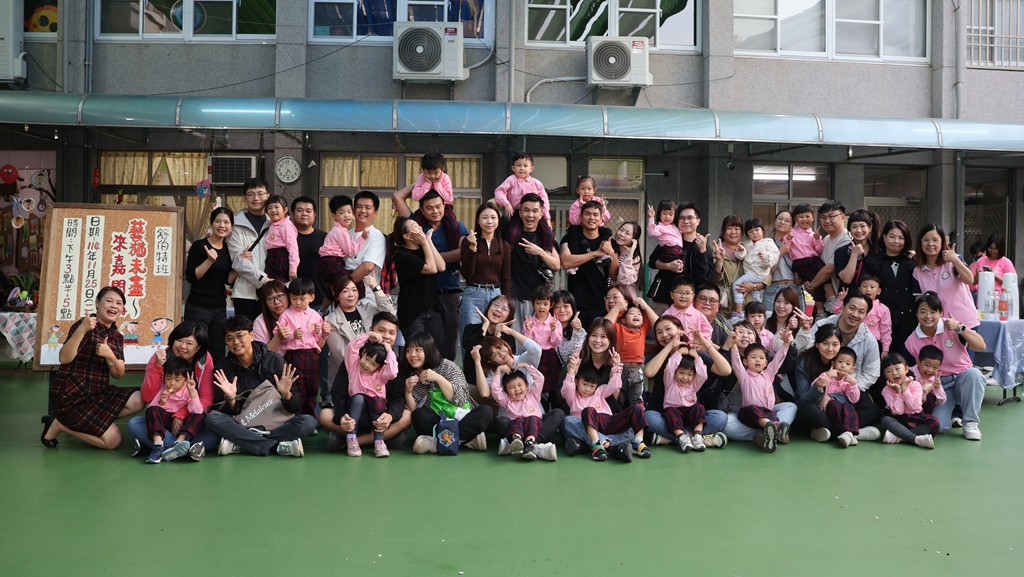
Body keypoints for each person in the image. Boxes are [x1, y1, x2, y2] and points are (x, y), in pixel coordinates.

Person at [42, 286, 143, 450]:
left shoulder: (116, 336)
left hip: (97, 394)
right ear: (97, 303)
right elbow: (64, 358)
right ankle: (59, 424)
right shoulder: (84, 325)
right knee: (113, 441)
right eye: (109, 301)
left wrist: (110, 355)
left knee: (139, 399)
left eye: (119, 303)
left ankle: (91, 422)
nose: (114, 306)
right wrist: (82, 329)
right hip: (71, 396)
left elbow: (118, 373)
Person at [205, 316, 315, 457]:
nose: (236, 342)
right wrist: (231, 399)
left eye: (240, 336)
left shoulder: (274, 360)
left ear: (252, 335)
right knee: (212, 418)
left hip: (276, 423)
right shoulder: (222, 367)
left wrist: (286, 395)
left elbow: (295, 407)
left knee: (308, 422)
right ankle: (276, 446)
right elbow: (226, 411)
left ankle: (244, 444)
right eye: (230, 338)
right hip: (243, 424)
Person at [795, 290, 883, 436]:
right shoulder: (821, 327)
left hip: (845, 391)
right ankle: (850, 431)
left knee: (872, 409)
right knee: (806, 410)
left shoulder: (869, 340)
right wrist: (820, 388)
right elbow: (805, 397)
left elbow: (871, 374)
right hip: (815, 398)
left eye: (861, 311)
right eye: (852, 308)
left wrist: (837, 394)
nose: (855, 314)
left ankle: (830, 431)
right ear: (842, 306)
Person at [393, 189, 467, 358]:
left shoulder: (455, 226)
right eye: (429, 207)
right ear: (422, 210)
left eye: (438, 206)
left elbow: (447, 262)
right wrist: (422, 182)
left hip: (446, 295)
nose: (435, 211)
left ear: (444, 206)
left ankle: (445, 374)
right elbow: (432, 268)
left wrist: (427, 245)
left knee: (444, 347)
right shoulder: (408, 248)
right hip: (416, 305)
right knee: (417, 351)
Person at [322, 310, 411, 453]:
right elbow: (339, 390)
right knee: (324, 415)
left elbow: (398, 398)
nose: (386, 336)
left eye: (391, 333)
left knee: (407, 417)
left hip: (379, 417)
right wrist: (342, 416)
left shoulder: (395, 364)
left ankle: (354, 441)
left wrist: (390, 416)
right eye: (381, 330)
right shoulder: (356, 359)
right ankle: (366, 438)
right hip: (355, 415)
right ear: (371, 330)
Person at [127, 322, 216, 461]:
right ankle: (183, 448)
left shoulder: (204, 360)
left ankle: (158, 446)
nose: (182, 346)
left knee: (213, 432)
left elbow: (206, 398)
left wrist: (180, 415)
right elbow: (147, 397)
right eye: (179, 340)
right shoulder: (160, 357)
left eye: (189, 343)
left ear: (198, 347)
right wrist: (158, 366)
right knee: (134, 424)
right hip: (164, 420)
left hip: (190, 418)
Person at [904, 291, 986, 440]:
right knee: (939, 426)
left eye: (933, 311)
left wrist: (959, 327)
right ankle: (950, 414)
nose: (928, 316)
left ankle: (970, 422)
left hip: (962, 378)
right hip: (939, 386)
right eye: (923, 311)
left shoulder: (952, 326)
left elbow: (981, 346)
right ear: (916, 314)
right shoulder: (911, 341)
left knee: (974, 374)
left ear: (940, 313)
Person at [643, 316, 730, 448]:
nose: (664, 335)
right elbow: (649, 372)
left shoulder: (693, 353)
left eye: (668, 329)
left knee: (720, 417)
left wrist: (704, 343)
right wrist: (670, 346)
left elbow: (726, 370)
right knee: (649, 417)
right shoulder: (658, 356)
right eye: (659, 332)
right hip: (666, 415)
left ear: (680, 330)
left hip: (693, 416)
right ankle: (695, 438)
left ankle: (675, 438)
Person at [404, 333, 493, 453]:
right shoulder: (413, 377)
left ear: (428, 349)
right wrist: (408, 391)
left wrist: (438, 378)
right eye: (408, 351)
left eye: (418, 350)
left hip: (462, 417)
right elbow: (415, 410)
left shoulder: (447, 366)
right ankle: (466, 441)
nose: (412, 355)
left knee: (486, 412)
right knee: (418, 415)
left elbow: (460, 399)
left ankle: (437, 443)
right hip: (438, 421)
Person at [562, 348, 650, 462]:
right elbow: (567, 389)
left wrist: (616, 367)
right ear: (577, 382)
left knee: (636, 410)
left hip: (608, 422)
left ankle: (637, 442)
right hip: (588, 426)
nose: (587, 389)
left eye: (592, 386)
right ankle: (601, 445)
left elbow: (615, 386)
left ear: (596, 386)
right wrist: (571, 372)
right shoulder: (573, 397)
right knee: (569, 421)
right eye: (584, 384)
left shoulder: (600, 391)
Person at [474, 355, 561, 461]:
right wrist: (498, 371)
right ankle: (523, 443)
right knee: (500, 420)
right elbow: (496, 391)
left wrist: (527, 366)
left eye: (520, 385)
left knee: (555, 413)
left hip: (535, 426)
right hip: (516, 428)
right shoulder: (507, 401)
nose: (517, 389)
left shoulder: (533, 395)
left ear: (527, 386)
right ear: (506, 392)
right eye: (511, 387)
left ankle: (528, 443)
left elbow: (540, 379)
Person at [661, 331, 731, 452]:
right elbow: (670, 368)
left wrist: (697, 357)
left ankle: (697, 436)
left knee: (701, 408)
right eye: (681, 373)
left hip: (690, 414)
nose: (685, 377)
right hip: (674, 412)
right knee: (667, 413)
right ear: (675, 373)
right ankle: (681, 437)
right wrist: (679, 353)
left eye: (689, 375)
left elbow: (702, 375)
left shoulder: (693, 384)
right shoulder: (670, 381)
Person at [727, 329, 794, 453]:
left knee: (781, 411)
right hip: (749, 414)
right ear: (745, 361)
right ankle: (774, 428)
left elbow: (778, 360)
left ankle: (769, 435)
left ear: (766, 363)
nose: (758, 360)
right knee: (752, 409)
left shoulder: (768, 374)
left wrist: (786, 344)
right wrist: (734, 345)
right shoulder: (744, 376)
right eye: (753, 357)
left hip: (767, 412)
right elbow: (736, 363)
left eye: (761, 358)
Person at [862, 220, 920, 359]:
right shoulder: (872, 261)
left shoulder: (912, 261)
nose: (896, 241)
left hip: (908, 319)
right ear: (884, 237)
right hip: (879, 321)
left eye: (901, 238)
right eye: (892, 236)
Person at [184, 206, 235, 361]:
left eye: (226, 222)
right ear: (212, 224)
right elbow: (192, 277)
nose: (222, 225)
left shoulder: (228, 249)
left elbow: (227, 280)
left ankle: (214, 378)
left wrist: (241, 265)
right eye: (218, 221)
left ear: (231, 227)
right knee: (196, 350)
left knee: (218, 352)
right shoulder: (200, 246)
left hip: (219, 308)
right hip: (198, 307)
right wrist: (209, 261)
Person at [388, 216, 446, 351]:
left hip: (432, 309)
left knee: (438, 352)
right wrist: (425, 243)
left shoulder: (424, 250)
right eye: (415, 227)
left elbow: (441, 266)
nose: (420, 229)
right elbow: (431, 269)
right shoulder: (402, 255)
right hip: (413, 312)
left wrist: (428, 241)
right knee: (417, 351)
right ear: (407, 236)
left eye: (419, 226)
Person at [275, 278, 331, 417]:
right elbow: (278, 335)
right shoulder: (286, 315)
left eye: (302, 299)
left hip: (312, 355)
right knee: (297, 387)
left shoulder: (315, 315)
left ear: (311, 298)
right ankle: (297, 417)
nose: (298, 302)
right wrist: (292, 335)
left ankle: (310, 417)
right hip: (294, 355)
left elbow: (318, 341)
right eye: (294, 298)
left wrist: (320, 332)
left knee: (312, 387)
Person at [505, 192, 560, 330]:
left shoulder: (545, 237)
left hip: (537, 300)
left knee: (535, 340)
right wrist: (507, 200)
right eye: (526, 210)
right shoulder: (511, 234)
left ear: (541, 214)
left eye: (535, 211)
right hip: (513, 297)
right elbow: (493, 202)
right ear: (520, 212)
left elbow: (556, 265)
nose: (530, 215)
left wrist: (540, 251)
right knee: (514, 340)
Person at [795, 335, 862, 448]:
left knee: (849, 407)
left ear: (852, 369)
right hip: (823, 410)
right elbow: (813, 387)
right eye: (840, 362)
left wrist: (854, 384)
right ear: (833, 363)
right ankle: (850, 432)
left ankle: (845, 433)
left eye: (847, 364)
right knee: (822, 406)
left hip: (839, 412)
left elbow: (854, 399)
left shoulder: (848, 382)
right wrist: (827, 376)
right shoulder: (826, 375)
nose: (843, 366)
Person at [559, 200, 618, 326]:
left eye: (595, 214)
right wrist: (595, 253)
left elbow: (614, 275)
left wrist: (612, 253)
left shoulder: (609, 242)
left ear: (601, 218)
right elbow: (566, 262)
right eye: (587, 214)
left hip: (601, 303)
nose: (592, 218)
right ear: (581, 217)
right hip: (576, 303)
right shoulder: (570, 238)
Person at [648, 202, 713, 313]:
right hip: (664, 299)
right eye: (682, 218)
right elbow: (652, 262)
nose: (686, 221)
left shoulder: (704, 246)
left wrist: (702, 252)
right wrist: (668, 266)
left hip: (689, 303)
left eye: (690, 218)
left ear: (698, 221)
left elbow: (704, 278)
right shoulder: (670, 239)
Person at [913, 224, 980, 330]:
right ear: (920, 242)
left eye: (935, 240)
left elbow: (969, 280)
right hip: (938, 328)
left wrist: (955, 260)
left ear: (942, 242)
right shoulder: (917, 272)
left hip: (964, 324)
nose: (930, 244)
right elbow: (919, 302)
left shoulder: (954, 260)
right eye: (926, 240)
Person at [343, 331, 399, 457]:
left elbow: (392, 371)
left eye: (373, 364)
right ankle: (351, 438)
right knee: (358, 398)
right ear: (363, 353)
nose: (367, 365)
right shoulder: (354, 367)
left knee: (378, 401)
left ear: (380, 367)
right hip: (358, 413)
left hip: (374, 414)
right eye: (367, 358)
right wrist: (367, 335)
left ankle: (379, 441)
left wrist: (389, 351)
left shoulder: (381, 375)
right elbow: (351, 347)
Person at [459, 203, 511, 338]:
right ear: (478, 220)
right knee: (470, 337)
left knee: (493, 339)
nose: (489, 221)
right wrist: (472, 249)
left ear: (498, 221)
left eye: (493, 217)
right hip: (473, 294)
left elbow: (506, 277)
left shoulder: (504, 245)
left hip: (496, 295)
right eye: (485, 217)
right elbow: (467, 274)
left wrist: (506, 301)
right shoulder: (467, 241)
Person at [142, 356, 204, 464]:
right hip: (165, 427)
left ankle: (178, 443)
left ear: (185, 380)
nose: (172, 383)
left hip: (183, 428)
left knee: (200, 417)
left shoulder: (188, 390)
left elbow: (197, 412)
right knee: (152, 410)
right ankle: (158, 445)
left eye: (177, 380)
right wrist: (162, 402)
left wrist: (192, 392)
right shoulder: (162, 389)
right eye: (168, 378)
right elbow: (152, 412)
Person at [603, 285, 658, 406]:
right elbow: (605, 326)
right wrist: (617, 308)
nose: (636, 316)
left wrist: (645, 306)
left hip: (637, 370)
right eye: (631, 314)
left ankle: (638, 416)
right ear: (623, 319)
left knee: (637, 401)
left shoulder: (643, 328)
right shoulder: (618, 326)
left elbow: (658, 324)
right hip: (620, 368)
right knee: (619, 400)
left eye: (639, 314)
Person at [227, 177, 272, 322]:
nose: (256, 198)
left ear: (268, 195)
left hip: (272, 293)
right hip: (245, 293)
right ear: (244, 197)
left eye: (260, 193)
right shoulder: (234, 225)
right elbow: (238, 261)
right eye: (250, 194)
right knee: (245, 332)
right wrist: (263, 279)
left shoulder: (276, 224)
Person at [879, 353, 939, 448]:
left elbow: (914, 407)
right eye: (889, 371)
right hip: (899, 420)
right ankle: (915, 439)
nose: (894, 373)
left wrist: (905, 390)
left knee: (934, 422)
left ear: (906, 369)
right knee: (885, 420)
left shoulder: (916, 385)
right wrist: (899, 392)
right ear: (885, 375)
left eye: (897, 369)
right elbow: (898, 411)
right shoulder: (886, 390)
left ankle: (900, 437)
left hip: (916, 418)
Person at [803, 201, 852, 316]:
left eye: (831, 216)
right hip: (824, 300)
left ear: (842, 217)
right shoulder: (825, 239)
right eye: (823, 217)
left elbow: (830, 269)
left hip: (840, 301)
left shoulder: (847, 239)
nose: (827, 221)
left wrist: (811, 285)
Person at [729, 217, 779, 322]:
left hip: (758, 274)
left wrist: (765, 256)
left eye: (757, 230)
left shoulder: (768, 243)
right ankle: (759, 316)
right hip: (751, 273)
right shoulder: (747, 244)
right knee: (756, 298)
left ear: (763, 230)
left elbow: (774, 258)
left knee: (737, 285)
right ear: (747, 234)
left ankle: (738, 312)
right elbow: (741, 257)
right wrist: (741, 251)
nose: (754, 233)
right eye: (751, 231)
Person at [314, 195, 359, 308]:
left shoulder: (340, 230)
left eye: (349, 211)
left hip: (327, 263)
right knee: (349, 281)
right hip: (332, 262)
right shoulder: (340, 231)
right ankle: (358, 302)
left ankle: (323, 310)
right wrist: (362, 239)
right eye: (342, 212)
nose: (347, 215)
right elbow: (350, 252)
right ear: (334, 216)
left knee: (336, 287)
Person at [461, 294, 517, 385]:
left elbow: (508, 362)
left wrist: (497, 337)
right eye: (496, 305)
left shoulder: (508, 336)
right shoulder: (470, 329)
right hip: (472, 383)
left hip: (498, 387)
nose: (498, 310)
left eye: (504, 309)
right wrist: (485, 326)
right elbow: (472, 349)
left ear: (509, 316)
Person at [833, 274, 892, 356]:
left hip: (873, 343)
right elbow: (838, 314)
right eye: (864, 286)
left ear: (879, 291)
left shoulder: (883, 309)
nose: (868, 289)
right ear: (859, 289)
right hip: (851, 339)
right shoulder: (852, 304)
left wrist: (885, 349)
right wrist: (841, 301)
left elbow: (886, 330)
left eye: (872, 287)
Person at [346, 191, 388, 300]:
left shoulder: (377, 237)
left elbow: (367, 267)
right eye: (359, 206)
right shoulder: (347, 234)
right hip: (343, 298)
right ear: (353, 210)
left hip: (365, 300)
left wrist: (343, 285)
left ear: (375, 213)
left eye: (368, 207)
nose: (363, 211)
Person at [494, 152, 552, 228]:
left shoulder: (536, 183)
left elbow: (544, 200)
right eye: (518, 165)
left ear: (531, 169)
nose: (522, 168)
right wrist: (506, 204)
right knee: (512, 233)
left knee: (547, 231)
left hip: (534, 213)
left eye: (525, 165)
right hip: (516, 213)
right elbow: (499, 191)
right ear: (513, 168)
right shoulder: (511, 180)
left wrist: (547, 218)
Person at [712, 215, 750, 313]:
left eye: (737, 229)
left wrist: (754, 286)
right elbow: (713, 278)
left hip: (747, 305)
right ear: (723, 231)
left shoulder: (749, 248)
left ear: (742, 232)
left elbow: (763, 271)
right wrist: (719, 261)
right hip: (723, 305)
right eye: (729, 228)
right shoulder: (715, 249)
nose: (733, 232)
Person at [763, 209, 800, 313]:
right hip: (773, 288)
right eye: (780, 219)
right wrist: (780, 252)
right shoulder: (766, 243)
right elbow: (767, 271)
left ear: (792, 225)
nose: (782, 222)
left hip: (793, 288)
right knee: (770, 319)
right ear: (775, 221)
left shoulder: (796, 243)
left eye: (787, 221)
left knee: (795, 320)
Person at [834, 208, 879, 289]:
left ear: (870, 228)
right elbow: (846, 279)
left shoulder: (878, 251)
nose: (858, 230)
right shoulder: (841, 252)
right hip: (849, 296)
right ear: (849, 230)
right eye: (854, 227)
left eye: (862, 226)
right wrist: (854, 254)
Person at [662, 275, 713, 342]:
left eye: (687, 293)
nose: (683, 296)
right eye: (680, 292)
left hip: (696, 347)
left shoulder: (698, 315)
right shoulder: (667, 315)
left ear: (693, 296)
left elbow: (707, 332)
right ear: (672, 295)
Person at [262, 194, 299, 283]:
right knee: (271, 285)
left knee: (280, 286)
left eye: (276, 207)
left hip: (281, 259)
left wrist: (293, 269)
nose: (273, 210)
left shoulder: (286, 225)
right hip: (271, 259)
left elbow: (293, 249)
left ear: (285, 210)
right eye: (270, 208)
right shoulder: (270, 224)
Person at [252, 280, 289, 351]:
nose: (276, 302)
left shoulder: (300, 313)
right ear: (265, 303)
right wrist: (278, 338)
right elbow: (261, 354)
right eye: (270, 299)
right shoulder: (259, 322)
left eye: (280, 296)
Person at [613, 221, 643, 301]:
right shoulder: (613, 251)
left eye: (627, 233)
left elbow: (624, 279)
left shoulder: (634, 258)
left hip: (626, 300)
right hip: (611, 298)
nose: (622, 234)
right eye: (621, 230)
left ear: (634, 239)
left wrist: (630, 254)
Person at [647, 199, 683, 264]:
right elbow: (651, 232)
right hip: (669, 252)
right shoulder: (659, 227)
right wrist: (651, 218)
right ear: (659, 214)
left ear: (674, 215)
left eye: (670, 214)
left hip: (679, 251)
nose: (667, 216)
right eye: (664, 214)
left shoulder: (675, 226)